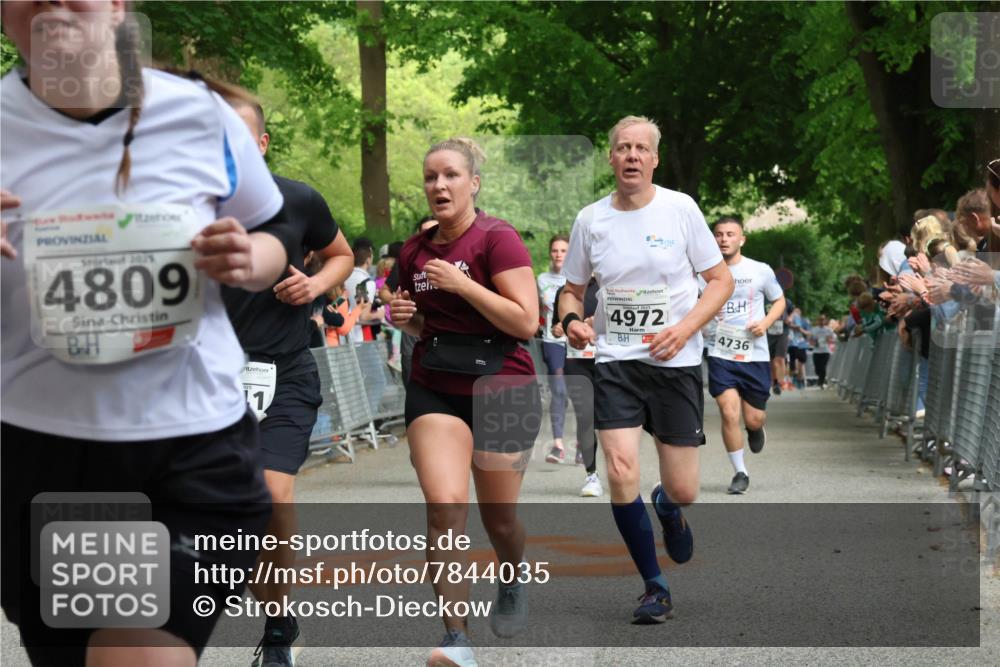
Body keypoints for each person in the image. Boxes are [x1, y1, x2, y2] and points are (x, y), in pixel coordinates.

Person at [0, 3, 291, 665]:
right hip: (41, 456)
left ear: (117, 7)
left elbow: (274, 230)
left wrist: (250, 257)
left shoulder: (199, 113)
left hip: (190, 453)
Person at [559, 116, 734, 624]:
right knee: (619, 471)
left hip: (675, 363)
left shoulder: (680, 209)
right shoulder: (591, 219)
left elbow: (719, 280)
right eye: (623, 148)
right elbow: (571, 290)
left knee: (684, 490)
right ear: (611, 157)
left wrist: (684, 329)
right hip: (616, 362)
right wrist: (572, 321)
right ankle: (654, 586)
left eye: (641, 148)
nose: (632, 155)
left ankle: (667, 505)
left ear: (655, 159)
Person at [390, 138, 541, 666]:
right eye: (431, 177)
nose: (439, 185)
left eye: (451, 175)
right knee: (445, 507)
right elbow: (421, 322)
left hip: (502, 384)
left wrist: (463, 284)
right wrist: (405, 317)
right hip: (436, 386)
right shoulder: (413, 250)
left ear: (473, 183)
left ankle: (513, 573)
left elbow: (527, 322)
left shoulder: (498, 239)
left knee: (499, 520)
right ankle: (457, 640)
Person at [222, 94, 354, 667]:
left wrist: (316, 284)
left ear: (262, 143)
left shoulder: (297, 200)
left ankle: (277, 629)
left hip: (283, 374)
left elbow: (341, 255)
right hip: (206, 383)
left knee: (273, 498)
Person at [702, 217, 785, 495]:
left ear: (742, 239)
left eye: (730, 234)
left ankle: (755, 429)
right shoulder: (703, 273)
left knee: (754, 418)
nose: (724, 239)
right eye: (719, 234)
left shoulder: (759, 270)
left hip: (754, 354)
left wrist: (765, 323)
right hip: (720, 351)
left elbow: (779, 300)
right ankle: (740, 472)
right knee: (728, 412)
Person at [553, 276, 604, 496]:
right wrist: (560, 328)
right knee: (585, 417)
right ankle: (592, 475)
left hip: (607, 360)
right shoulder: (565, 291)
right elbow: (557, 326)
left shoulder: (608, 283)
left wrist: (596, 323)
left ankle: (623, 470)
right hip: (576, 362)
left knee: (614, 418)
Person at [381, 216, 439, 384]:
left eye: (435, 230)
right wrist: (397, 303)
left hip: (445, 339)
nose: (431, 235)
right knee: (413, 382)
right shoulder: (409, 259)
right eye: (425, 231)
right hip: (413, 334)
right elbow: (384, 291)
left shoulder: (455, 256)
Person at [537, 233, 571, 463]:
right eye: (555, 250)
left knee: (580, 392)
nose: (558, 255)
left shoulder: (579, 278)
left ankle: (583, 444)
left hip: (578, 343)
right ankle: (558, 445)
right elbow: (537, 309)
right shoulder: (542, 280)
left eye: (563, 251)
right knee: (558, 389)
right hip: (552, 341)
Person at [809, 315, 836, 389]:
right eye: (820, 320)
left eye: (823, 320)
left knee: (823, 367)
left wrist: (829, 340)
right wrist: (814, 343)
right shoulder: (814, 330)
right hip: (816, 352)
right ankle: (820, 378)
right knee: (817, 368)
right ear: (817, 321)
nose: (821, 321)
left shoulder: (829, 330)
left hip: (825, 351)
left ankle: (821, 382)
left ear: (825, 321)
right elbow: (810, 340)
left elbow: (834, 340)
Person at [786, 307, 811, 389]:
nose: (796, 313)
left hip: (801, 344)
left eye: (798, 312)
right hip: (791, 344)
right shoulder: (789, 320)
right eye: (794, 312)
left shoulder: (804, 321)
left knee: (801, 362)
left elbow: (808, 333)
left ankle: (800, 379)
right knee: (792, 363)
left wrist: (801, 330)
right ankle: (794, 378)